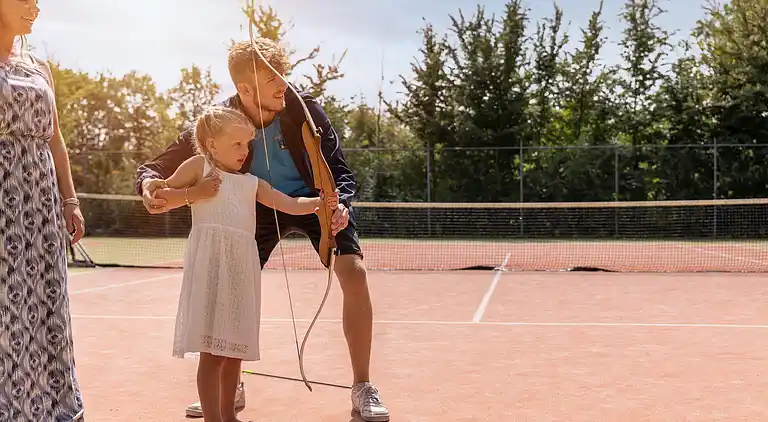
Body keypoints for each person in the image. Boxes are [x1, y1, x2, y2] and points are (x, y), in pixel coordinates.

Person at [135, 38, 390, 422]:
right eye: (273, 80)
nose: (283, 86)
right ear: (245, 89)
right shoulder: (220, 120)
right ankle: (229, 389)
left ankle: (363, 387)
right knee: (235, 290)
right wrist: (149, 186)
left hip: (311, 199)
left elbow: (339, 169)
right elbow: (158, 165)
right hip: (252, 206)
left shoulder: (305, 109)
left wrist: (340, 204)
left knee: (354, 272)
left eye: (283, 76)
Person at [149, 105, 336, 422]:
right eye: (237, 143)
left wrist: (320, 203)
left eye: (247, 143)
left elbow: (288, 203)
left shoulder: (251, 182)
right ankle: (212, 418)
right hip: (210, 268)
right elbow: (162, 196)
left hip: (240, 269)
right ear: (211, 144)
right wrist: (195, 192)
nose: (244, 150)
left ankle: (228, 415)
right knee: (211, 352)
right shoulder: (199, 167)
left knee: (233, 349)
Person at [0, 0, 86, 421]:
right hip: (3, 196)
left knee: (45, 295)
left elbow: (56, 140)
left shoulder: (38, 65)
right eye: (25, 0)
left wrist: (69, 199)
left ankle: (49, 401)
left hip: (41, 197)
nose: (36, 7)